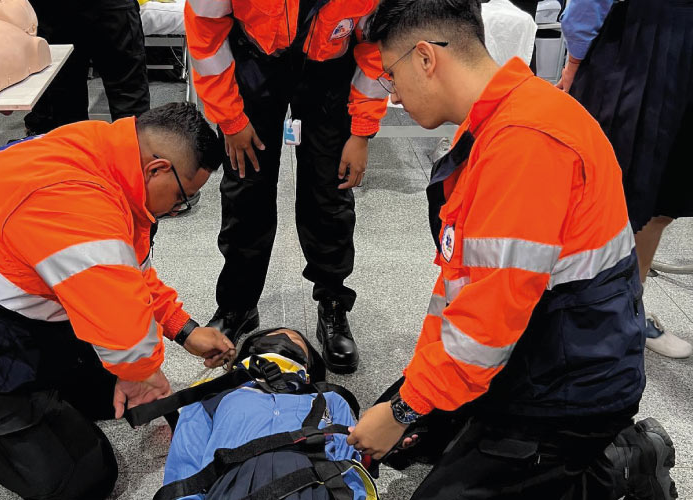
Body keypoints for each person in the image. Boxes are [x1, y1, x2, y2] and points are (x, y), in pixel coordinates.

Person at [346, 1, 677, 498]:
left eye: (389, 77)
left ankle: (621, 464)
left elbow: (486, 327)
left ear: (425, 59)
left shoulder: (524, 144)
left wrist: (401, 411)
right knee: (414, 436)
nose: (392, 96)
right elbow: (465, 286)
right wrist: (416, 390)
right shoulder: (501, 116)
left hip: (570, 385)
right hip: (538, 343)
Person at [0, 102, 234, 500]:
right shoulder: (78, 202)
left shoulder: (104, 153)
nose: (179, 208)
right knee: (85, 479)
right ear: (157, 169)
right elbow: (123, 325)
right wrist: (140, 371)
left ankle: (35, 390)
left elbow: (127, 270)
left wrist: (183, 329)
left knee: (108, 396)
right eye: (182, 196)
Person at [184, 0, 389, 373]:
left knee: (329, 192)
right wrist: (230, 119)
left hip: (331, 70)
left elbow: (376, 47)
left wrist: (361, 132)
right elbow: (205, 34)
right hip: (254, 63)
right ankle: (238, 305)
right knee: (246, 187)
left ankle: (333, 304)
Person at [556, 0, 693, 359]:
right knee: (613, 192)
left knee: (664, 200)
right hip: (638, 51)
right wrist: (575, 60)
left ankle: (628, 308)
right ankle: (579, 312)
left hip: (678, 55)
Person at [158, 327, 375, 500]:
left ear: (307, 367)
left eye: (296, 339)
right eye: (273, 334)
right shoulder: (210, 395)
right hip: (231, 482)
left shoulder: (329, 399)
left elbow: (349, 465)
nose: (285, 335)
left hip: (316, 480)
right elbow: (185, 468)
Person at [0, 0, 151, 135]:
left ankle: (72, 170)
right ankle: (136, 168)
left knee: (62, 104)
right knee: (127, 97)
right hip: (101, 9)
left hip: (53, 10)